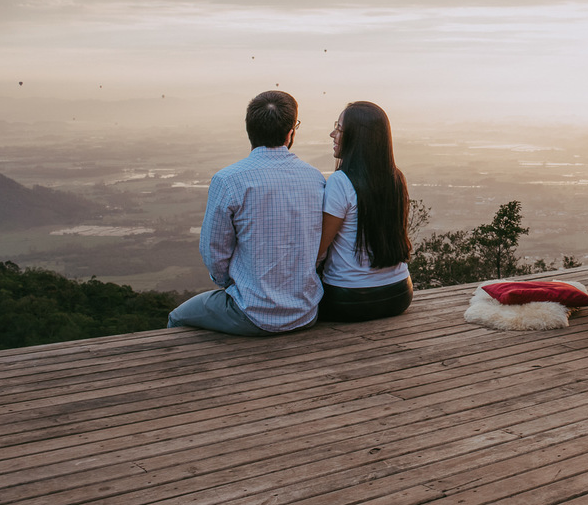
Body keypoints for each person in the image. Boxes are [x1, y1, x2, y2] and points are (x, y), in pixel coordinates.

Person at [168, 90, 326, 335]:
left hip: (250, 312)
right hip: (306, 312)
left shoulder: (229, 180)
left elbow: (213, 250)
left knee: (177, 318)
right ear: (290, 133)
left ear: (249, 129)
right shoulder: (314, 178)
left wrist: (230, 283)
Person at [317, 101, 413, 322]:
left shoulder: (341, 182)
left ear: (357, 137)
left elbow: (320, 250)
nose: (333, 134)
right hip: (399, 293)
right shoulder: (396, 178)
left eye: (339, 128)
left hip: (349, 300)